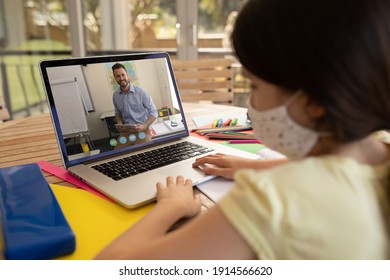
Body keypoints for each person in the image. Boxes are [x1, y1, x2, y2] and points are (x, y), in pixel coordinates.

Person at [96, 0, 390, 259]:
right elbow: (335, 168)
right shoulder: (381, 148)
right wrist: (250, 166)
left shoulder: (272, 200)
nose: (250, 100)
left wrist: (170, 207)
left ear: (314, 100)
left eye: (254, 85)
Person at [111, 63, 158, 145]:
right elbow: (117, 112)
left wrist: (144, 126)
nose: (121, 78)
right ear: (115, 78)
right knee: (118, 155)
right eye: (118, 76)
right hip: (126, 132)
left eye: (123, 75)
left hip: (143, 130)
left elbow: (154, 112)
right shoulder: (115, 96)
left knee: (146, 153)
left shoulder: (141, 92)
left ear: (127, 75)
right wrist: (119, 122)